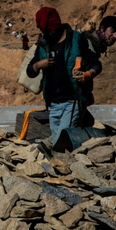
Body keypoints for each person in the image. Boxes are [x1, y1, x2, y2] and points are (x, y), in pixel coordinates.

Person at [26, 8, 102, 147]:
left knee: (63, 138)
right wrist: (38, 65)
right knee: (57, 139)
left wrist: (87, 74)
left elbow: (96, 64)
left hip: (73, 99)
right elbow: (30, 71)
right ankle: (64, 163)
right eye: (44, 32)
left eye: (48, 32)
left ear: (56, 28)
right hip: (54, 102)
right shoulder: (43, 45)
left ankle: (67, 163)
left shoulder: (77, 40)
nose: (46, 35)